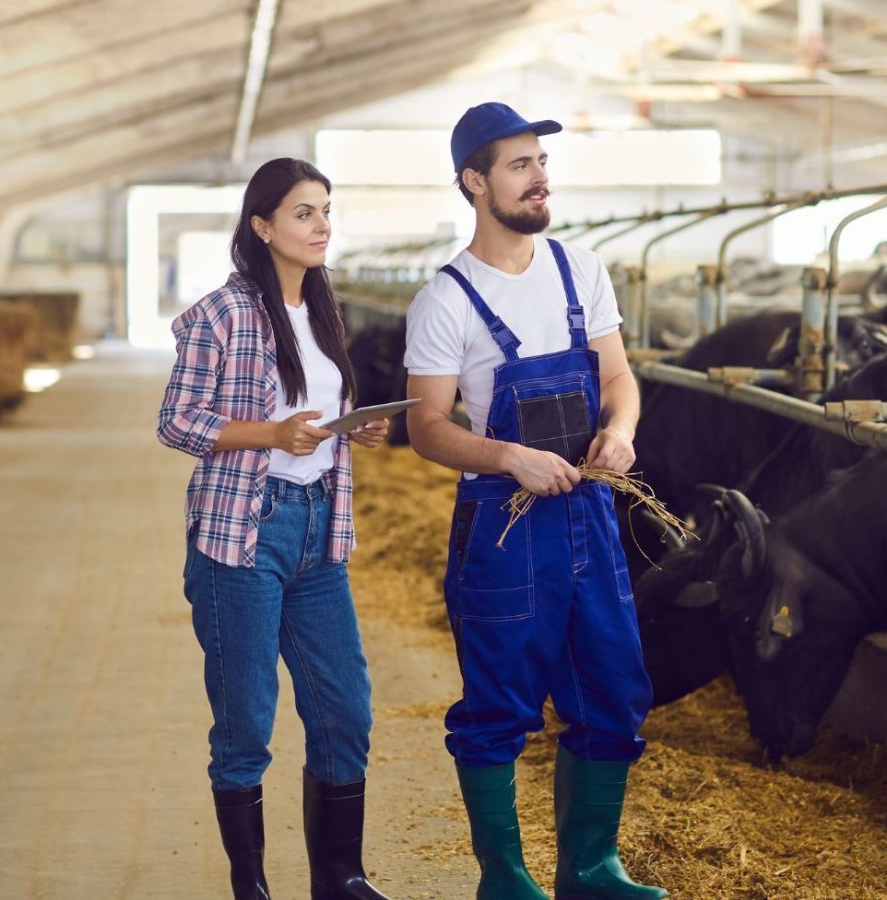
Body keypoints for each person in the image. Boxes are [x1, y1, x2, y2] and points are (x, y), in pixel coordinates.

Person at [404, 103, 668, 900]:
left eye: (541, 163)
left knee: (613, 688)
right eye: (519, 165)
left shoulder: (578, 269)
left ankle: (591, 869)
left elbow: (619, 378)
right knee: (499, 702)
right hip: (504, 522)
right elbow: (425, 425)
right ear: (474, 182)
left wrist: (620, 431)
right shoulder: (445, 298)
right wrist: (509, 455)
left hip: (587, 510)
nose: (539, 177)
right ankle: (506, 880)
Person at [157, 158, 392, 900]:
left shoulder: (326, 311)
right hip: (243, 535)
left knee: (344, 708)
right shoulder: (219, 314)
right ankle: (251, 886)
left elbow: (317, 421)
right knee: (246, 720)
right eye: (303, 213)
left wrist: (353, 432)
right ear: (262, 227)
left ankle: (341, 876)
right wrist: (271, 434)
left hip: (320, 527)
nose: (322, 225)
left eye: (326, 210)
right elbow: (178, 421)